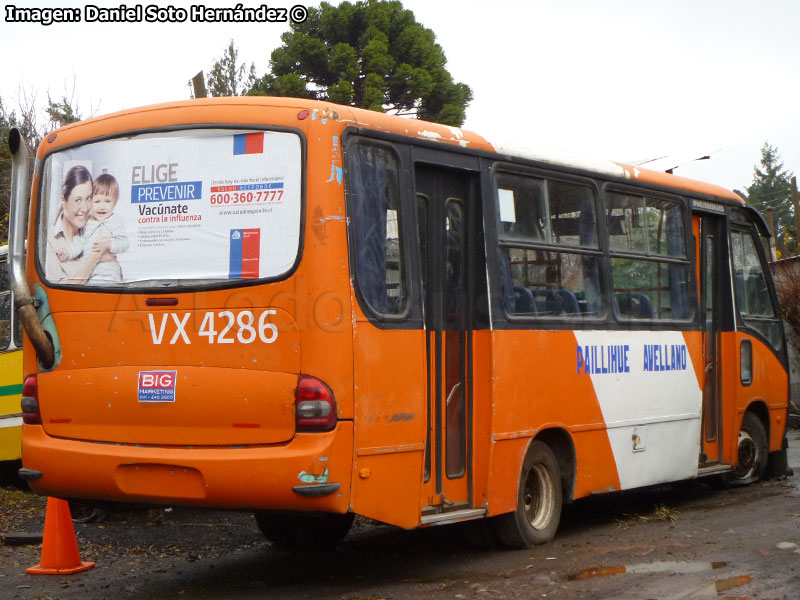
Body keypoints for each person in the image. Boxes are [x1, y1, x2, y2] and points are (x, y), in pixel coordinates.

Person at [57, 173, 128, 283]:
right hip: (90, 271)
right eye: (97, 201)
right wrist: (68, 253)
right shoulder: (87, 222)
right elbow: (79, 242)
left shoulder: (114, 220)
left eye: (107, 201)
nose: (102, 206)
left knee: (101, 286)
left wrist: (108, 244)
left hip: (108, 270)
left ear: (115, 202)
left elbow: (124, 243)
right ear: (91, 202)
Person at [45, 165, 106, 285]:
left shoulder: (96, 228)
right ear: (64, 200)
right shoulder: (50, 241)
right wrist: (93, 259)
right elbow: (59, 293)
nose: (84, 208)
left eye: (88, 198)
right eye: (78, 200)